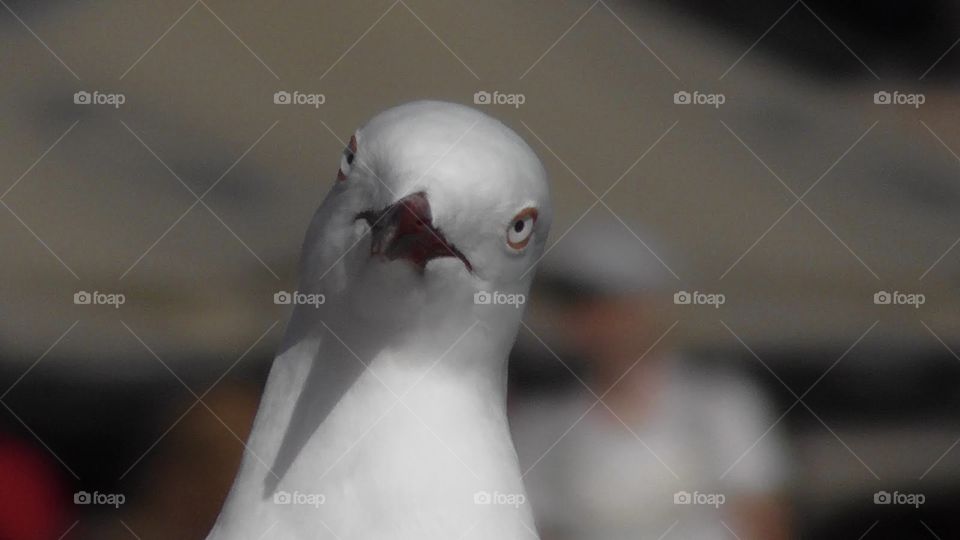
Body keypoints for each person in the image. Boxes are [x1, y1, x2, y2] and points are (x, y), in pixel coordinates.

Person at [511, 217, 791, 540]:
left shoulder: (725, 407)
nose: (592, 323)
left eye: (606, 304)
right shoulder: (538, 427)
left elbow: (764, 521)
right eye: (575, 306)